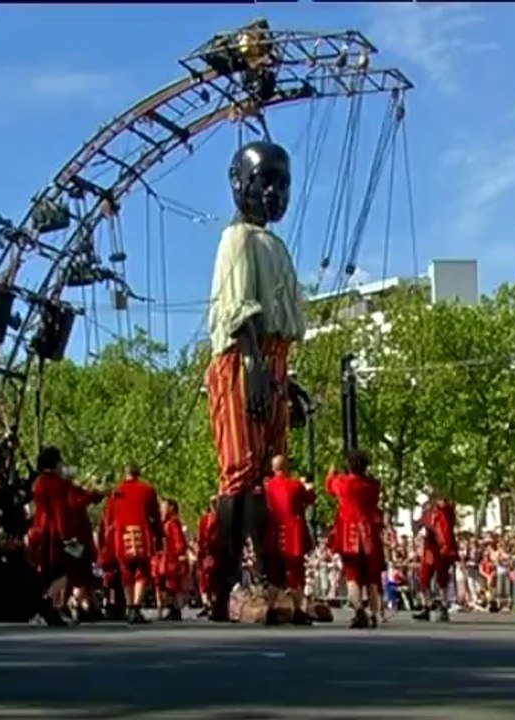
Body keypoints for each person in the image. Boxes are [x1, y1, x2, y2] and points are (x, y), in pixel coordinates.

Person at [205, 140, 307, 617]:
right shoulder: (237, 239)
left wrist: (286, 379)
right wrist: (254, 368)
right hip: (243, 359)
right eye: (264, 180)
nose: (274, 193)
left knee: (271, 471)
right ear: (238, 182)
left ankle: (271, 577)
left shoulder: (275, 245)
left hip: (273, 362)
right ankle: (237, 582)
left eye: (283, 184)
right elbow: (239, 311)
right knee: (242, 472)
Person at [326, 449, 385, 629]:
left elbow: (329, 486)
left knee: (352, 575)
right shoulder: (372, 485)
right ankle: (375, 614)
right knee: (372, 576)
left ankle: (359, 610)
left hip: (349, 533)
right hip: (369, 532)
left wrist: (332, 470)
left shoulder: (343, 482)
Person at [103, 464, 163, 624]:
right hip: (142, 533)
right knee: (143, 571)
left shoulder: (116, 492)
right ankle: (135, 607)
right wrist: (159, 535)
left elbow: (108, 519)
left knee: (126, 572)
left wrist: (107, 539)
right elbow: (155, 515)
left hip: (122, 535)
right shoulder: (148, 490)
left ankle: (130, 606)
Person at [263, 455, 316, 625]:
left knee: (273, 575)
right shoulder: (295, 485)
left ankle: (270, 610)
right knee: (296, 574)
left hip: (274, 533)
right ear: (286, 467)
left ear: (274, 468)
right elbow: (310, 498)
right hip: (293, 535)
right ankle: (297, 610)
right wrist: (309, 486)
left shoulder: (268, 486)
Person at [28, 446, 74, 626]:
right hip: (53, 532)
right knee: (61, 573)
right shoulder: (57, 484)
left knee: (45, 573)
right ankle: (46, 604)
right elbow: (59, 511)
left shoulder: (39, 482)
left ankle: (49, 610)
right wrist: (65, 535)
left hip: (39, 529)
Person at [64, 471, 105, 622]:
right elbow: (76, 505)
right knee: (78, 573)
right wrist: (90, 495)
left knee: (86, 572)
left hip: (82, 538)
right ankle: (75, 602)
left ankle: (90, 606)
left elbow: (93, 498)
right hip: (73, 539)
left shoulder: (75, 489)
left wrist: (96, 493)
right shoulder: (64, 491)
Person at [415, 491, 457, 622]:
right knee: (424, 577)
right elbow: (421, 524)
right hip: (432, 548)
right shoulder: (430, 511)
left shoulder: (444, 511)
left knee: (441, 578)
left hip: (440, 548)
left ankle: (442, 607)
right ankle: (427, 606)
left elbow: (445, 528)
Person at [157, 499, 189, 621]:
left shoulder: (172, 523)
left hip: (172, 558)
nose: (161, 509)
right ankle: (172, 608)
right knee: (168, 584)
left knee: (172, 584)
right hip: (167, 557)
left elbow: (178, 541)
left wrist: (180, 554)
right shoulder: (166, 523)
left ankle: (175, 609)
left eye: (163, 507)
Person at [196, 496, 220, 618]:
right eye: (212, 502)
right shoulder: (205, 519)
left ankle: (215, 605)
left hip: (219, 552)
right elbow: (201, 537)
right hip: (208, 553)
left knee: (215, 580)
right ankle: (210, 604)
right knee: (207, 580)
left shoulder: (222, 518)